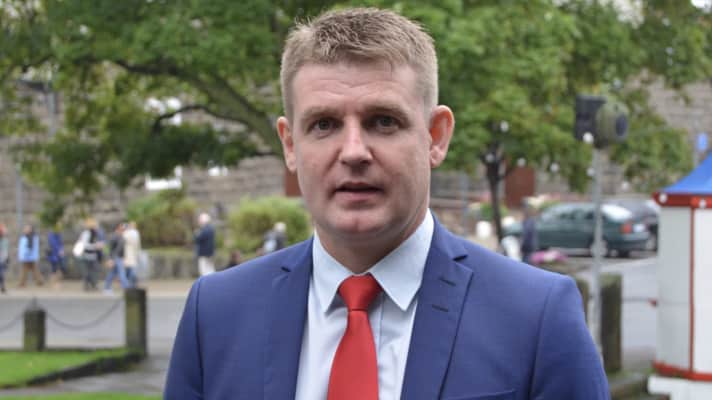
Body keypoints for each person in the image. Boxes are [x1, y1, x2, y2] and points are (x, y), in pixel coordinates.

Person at [165, 8, 608, 400]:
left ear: (436, 137)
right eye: (324, 124)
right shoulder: (217, 314)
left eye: (383, 121)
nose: (353, 151)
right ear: (290, 144)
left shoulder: (536, 317)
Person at [76, 218, 104, 291]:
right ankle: (87, 285)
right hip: (87, 255)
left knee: (94, 271)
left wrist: (98, 245)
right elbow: (85, 245)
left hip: (93, 255)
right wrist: (95, 246)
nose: (96, 227)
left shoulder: (95, 233)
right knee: (87, 272)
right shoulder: (86, 233)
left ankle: (93, 285)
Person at [103, 222, 129, 294]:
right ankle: (126, 288)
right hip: (115, 258)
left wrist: (123, 257)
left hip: (118, 257)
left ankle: (107, 287)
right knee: (122, 273)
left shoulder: (121, 236)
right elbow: (108, 248)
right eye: (122, 229)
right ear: (118, 228)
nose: (124, 230)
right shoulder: (113, 236)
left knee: (112, 273)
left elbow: (121, 249)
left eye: (124, 229)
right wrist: (109, 259)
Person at [47, 224, 67, 289]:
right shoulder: (51, 235)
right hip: (54, 255)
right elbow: (53, 244)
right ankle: (53, 284)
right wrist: (59, 251)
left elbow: (61, 243)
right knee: (54, 269)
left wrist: (62, 250)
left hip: (59, 255)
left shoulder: (58, 234)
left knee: (60, 269)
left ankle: (58, 283)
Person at [122, 221, 142, 288]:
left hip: (127, 253)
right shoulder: (135, 233)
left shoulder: (126, 233)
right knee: (131, 269)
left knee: (129, 269)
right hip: (131, 253)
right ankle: (132, 283)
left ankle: (130, 283)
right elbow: (137, 244)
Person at [0, 223, 8, 294]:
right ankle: (3, 286)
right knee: (1, 273)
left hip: (2, 259)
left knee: (1, 273)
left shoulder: (4, 240)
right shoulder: (4, 240)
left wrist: (5, 258)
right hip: (2, 258)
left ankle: (3, 286)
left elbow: (5, 250)